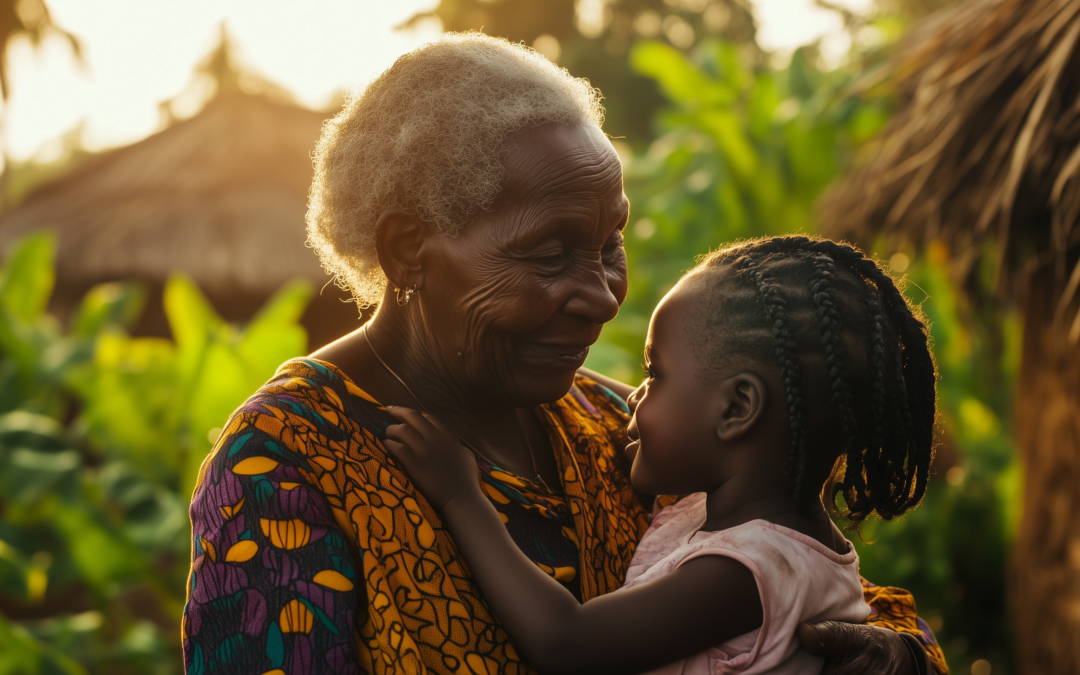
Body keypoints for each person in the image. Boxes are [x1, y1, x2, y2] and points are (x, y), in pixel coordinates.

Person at [181, 33, 946, 675]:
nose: (602, 293)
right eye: (549, 252)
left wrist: (896, 655)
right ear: (409, 249)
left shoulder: (622, 429)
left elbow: (814, 582)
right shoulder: (286, 469)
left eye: (609, 243)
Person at [383, 236, 938, 674]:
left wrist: (461, 496)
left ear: (737, 408)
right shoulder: (737, 518)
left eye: (654, 375)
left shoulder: (745, 572)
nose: (631, 396)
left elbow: (565, 641)